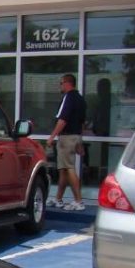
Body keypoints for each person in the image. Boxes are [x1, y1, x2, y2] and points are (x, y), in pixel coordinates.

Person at [46, 74, 86, 211]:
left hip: (67, 138)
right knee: (63, 169)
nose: (60, 86)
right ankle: (58, 199)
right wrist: (80, 142)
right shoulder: (81, 99)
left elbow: (62, 120)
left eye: (61, 83)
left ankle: (78, 201)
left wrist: (52, 137)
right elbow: (81, 123)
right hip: (75, 137)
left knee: (69, 168)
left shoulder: (68, 98)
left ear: (68, 83)